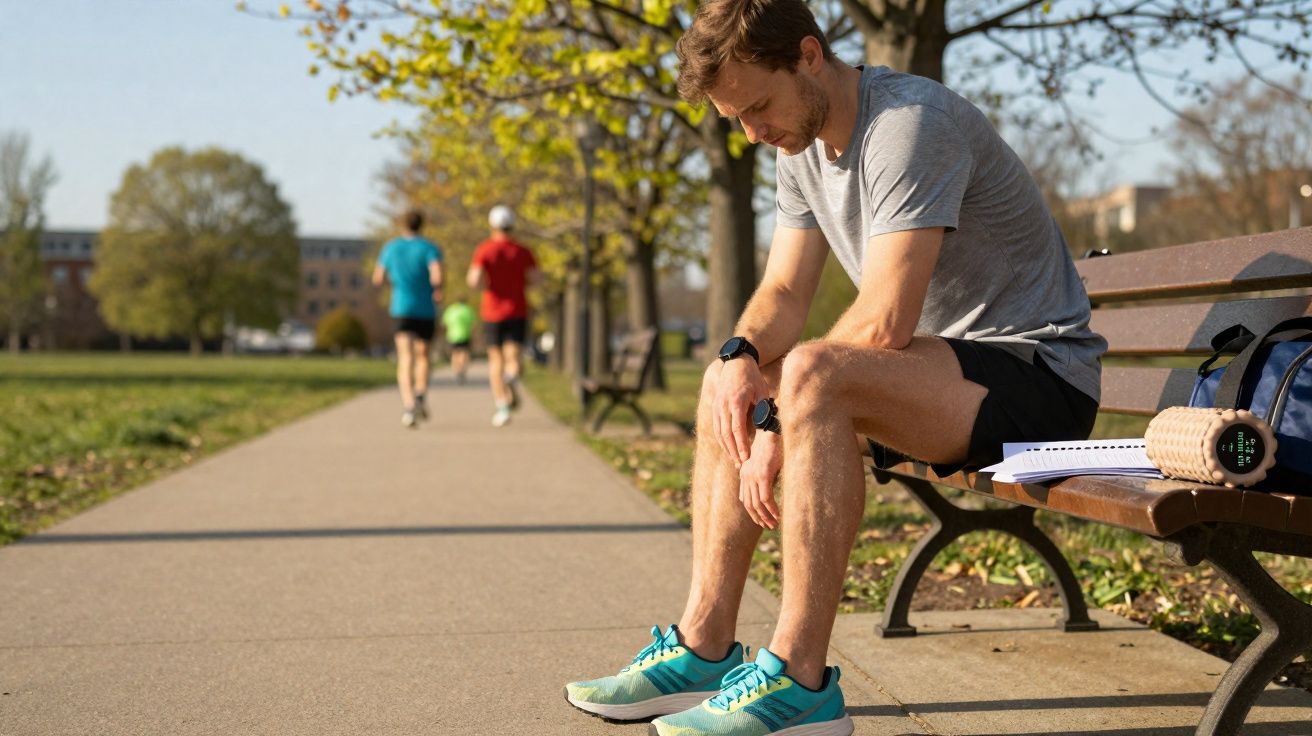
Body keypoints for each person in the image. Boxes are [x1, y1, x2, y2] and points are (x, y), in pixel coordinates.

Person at [563, 2, 1106, 735]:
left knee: (813, 371)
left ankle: (798, 682)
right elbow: (784, 292)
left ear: (810, 56)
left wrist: (781, 419)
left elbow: (885, 319)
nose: (754, 133)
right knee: (733, 382)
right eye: (738, 120)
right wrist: (740, 358)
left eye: (758, 106)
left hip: (1035, 377)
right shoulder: (799, 149)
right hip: (935, 377)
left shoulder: (910, 125)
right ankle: (704, 645)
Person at [467, 205, 538, 428]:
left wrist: (486, 283)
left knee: (495, 359)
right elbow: (536, 279)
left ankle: (502, 406)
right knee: (513, 355)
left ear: (492, 225)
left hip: (492, 311)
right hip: (517, 309)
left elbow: (474, 279)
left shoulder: (485, 250)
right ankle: (512, 376)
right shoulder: (523, 251)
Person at [373, 209, 443, 428]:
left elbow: (378, 278)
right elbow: (437, 276)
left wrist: (395, 284)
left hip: (401, 307)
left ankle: (409, 405)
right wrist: (437, 289)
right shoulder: (429, 248)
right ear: (421, 225)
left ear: (402, 224)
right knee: (423, 355)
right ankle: (421, 393)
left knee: (405, 357)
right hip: (425, 310)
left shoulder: (391, 248)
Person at [442, 293, 476, 385]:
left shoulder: (451, 310)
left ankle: (456, 370)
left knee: (454, 353)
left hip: (452, 335)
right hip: (465, 335)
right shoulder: (468, 310)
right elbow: (473, 325)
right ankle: (461, 370)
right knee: (464, 353)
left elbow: (445, 323)